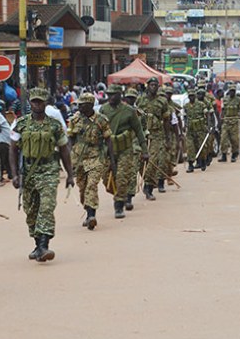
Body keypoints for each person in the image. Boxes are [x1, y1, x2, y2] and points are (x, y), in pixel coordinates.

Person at [9, 87, 74, 261]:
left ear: (46, 103)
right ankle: (38, 244)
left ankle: (44, 245)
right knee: (31, 210)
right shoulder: (20, 124)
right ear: (30, 102)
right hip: (28, 172)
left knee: (47, 206)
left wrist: (70, 174)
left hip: (49, 170)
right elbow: (13, 150)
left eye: (40, 101)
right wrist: (14, 174)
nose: (37, 104)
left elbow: (64, 149)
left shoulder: (54, 125)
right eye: (34, 101)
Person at [99, 85, 148, 218]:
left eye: (113, 94)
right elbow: (99, 131)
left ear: (120, 95)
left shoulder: (129, 111)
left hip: (125, 150)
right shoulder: (103, 110)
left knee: (122, 177)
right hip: (109, 150)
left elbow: (139, 131)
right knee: (106, 179)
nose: (110, 97)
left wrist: (144, 150)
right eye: (108, 94)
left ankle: (119, 205)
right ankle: (117, 194)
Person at [68, 92, 114, 230]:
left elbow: (108, 139)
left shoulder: (101, 120)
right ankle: (88, 210)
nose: (79, 107)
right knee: (82, 187)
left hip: (96, 156)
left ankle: (92, 215)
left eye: (81, 105)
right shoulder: (74, 120)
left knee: (92, 185)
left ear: (89, 105)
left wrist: (111, 159)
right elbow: (70, 138)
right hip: (79, 158)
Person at [135, 77, 169, 200]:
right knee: (140, 161)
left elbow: (166, 120)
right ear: (147, 86)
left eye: (156, 85)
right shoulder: (140, 100)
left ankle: (149, 187)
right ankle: (146, 179)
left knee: (153, 161)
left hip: (157, 134)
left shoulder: (162, 101)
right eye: (151, 85)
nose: (153, 87)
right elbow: (135, 118)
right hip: (142, 134)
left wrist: (168, 138)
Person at [184, 89, 210, 172]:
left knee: (201, 146)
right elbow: (185, 117)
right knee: (190, 147)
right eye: (190, 96)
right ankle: (190, 164)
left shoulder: (201, 105)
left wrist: (208, 126)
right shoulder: (186, 106)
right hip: (190, 130)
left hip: (200, 129)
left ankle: (203, 162)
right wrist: (185, 126)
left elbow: (207, 114)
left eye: (193, 96)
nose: (191, 97)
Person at [219, 84, 240, 163]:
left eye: (233, 91)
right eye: (231, 91)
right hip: (226, 121)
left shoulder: (238, 100)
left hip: (235, 122)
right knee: (223, 139)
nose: (232, 93)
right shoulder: (225, 99)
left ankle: (234, 155)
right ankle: (224, 155)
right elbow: (222, 110)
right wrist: (221, 118)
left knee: (234, 140)